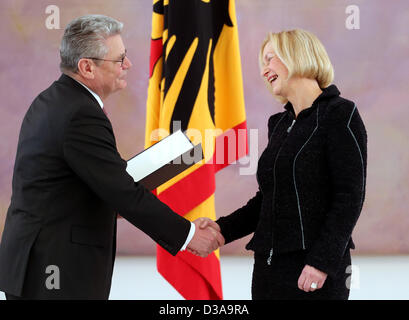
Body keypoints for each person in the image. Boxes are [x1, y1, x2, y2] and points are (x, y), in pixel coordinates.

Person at [0, 15, 223, 300]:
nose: (127, 65)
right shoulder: (80, 114)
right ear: (87, 67)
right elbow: (122, 192)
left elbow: (99, 182)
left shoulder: (54, 100)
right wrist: (189, 234)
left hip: (40, 265)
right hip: (55, 271)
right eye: (119, 60)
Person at [202, 29, 367, 299]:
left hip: (314, 272)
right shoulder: (278, 124)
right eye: (263, 63)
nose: (265, 70)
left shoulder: (340, 113)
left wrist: (321, 262)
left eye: (270, 59)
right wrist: (221, 229)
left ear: (297, 55)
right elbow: (268, 199)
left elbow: (349, 197)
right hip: (267, 271)